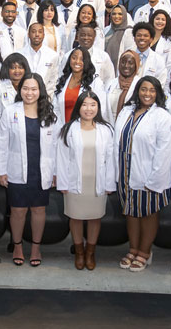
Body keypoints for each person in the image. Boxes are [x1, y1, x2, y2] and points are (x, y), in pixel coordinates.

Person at [114, 76, 171, 272]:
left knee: (148, 213)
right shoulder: (126, 111)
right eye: (143, 89)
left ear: (157, 93)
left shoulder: (162, 116)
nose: (147, 93)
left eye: (151, 90)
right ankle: (133, 248)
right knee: (131, 212)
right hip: (125, 171)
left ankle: (145, 252)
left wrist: (155, 178)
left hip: (148, 173)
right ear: (137, 91)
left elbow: (165, 151)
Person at [0, 73, 58, 267]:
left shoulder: (50, 113)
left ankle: (35, 248)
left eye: (33, 89)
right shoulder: (10, 112)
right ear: (19, 90)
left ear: (40, 90)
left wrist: (55, 171)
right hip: (16, 168)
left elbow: (56, 146)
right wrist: (1, 170)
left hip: (41, 170)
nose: (29, 92)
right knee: (18, 211)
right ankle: (17, 246)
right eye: (25, 88)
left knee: (39, 210)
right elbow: (1, 143)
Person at [57, 92, 115, 270]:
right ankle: (79, 251)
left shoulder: (106, 130)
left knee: (94, 218)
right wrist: (63, 183)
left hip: (97, 182)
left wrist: (110, 183)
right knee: (75, 217)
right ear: (78, 107)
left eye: (93, 105)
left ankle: (90, 252)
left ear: (98, 107)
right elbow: (62, 158)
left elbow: (111, 158)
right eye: (85, 105)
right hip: (75, 182)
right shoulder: (68, 129)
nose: (88, 109)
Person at [53, 47, 105, 122]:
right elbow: (56, 108)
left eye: (82, 59)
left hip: (86, 129)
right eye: (74, 58)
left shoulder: (95, 82)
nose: (77, 62)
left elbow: (102, 108)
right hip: (63, 128)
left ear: (86, 61)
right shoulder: (62, 81)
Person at [20, 23, 60, 96]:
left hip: (45, 97)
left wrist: (46, 97)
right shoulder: (20, 54)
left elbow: (53, 81)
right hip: (24, 96)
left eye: (40, 32)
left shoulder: (53, 55)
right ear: (28, 34)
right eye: (34, 31)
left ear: (44, 35)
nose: (37, 34)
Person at [104, 50, 141, 123]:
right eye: (123, 62)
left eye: (130, 63)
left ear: (136, 65)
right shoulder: (110, 84)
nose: (126, 66)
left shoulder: (140, 85)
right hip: (109, 125)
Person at [0, 52, 30, 117]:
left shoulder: (30, 86)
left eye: (20, 67)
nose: (17, 71)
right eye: (13, 68)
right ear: (7, 69)